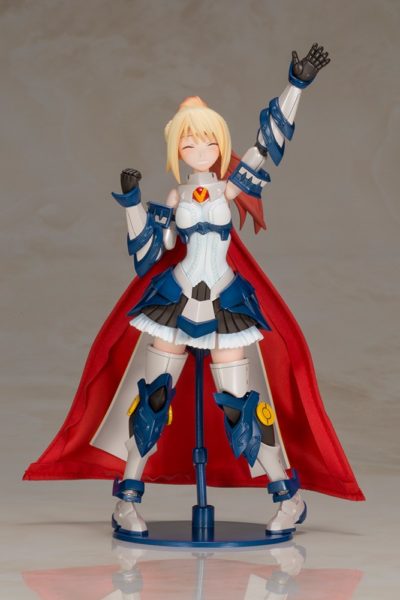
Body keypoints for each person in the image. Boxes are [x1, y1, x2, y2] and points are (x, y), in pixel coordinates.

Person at [24, 44, 364, 537]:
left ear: (218, 144)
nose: (198, 148)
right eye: (188, 141)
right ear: (176, 148)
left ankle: (288, 497)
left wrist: (296, 85)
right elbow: (150, 253)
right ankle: (127, 499)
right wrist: (131, 204)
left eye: (206, 140)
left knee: (240, 403)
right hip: (176, 298)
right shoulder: (175, 195)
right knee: (153, 399)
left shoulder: (229, 188)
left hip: (224, 300)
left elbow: (268, 144)